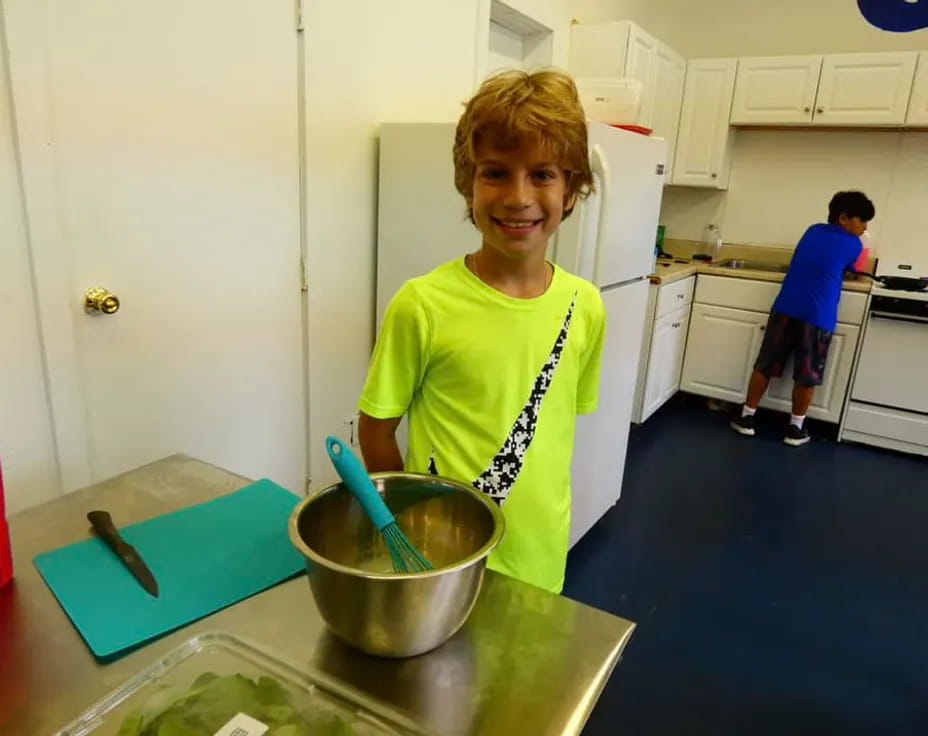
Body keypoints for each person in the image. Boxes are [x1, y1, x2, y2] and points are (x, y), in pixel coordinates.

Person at [356, 70, 606, 594]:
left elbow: (557, 434)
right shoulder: (422, 304)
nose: (518, 197)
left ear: (571, 191)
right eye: (496, 173)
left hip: (539, 553)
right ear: (468, 184)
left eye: (542, 175)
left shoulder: (585, 306)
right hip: (442, 556)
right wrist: (406, 521)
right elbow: (376, 430)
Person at [731, 190, 875, 446]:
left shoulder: (812, 231)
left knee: (765, 364)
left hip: (785, 307)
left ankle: (747, 417)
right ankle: (795, 428)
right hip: (817, 316)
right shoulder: (854, 245)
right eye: (862, 221)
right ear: (844, 218)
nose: (864, 228)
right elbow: (856, 270)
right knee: (807, 374)